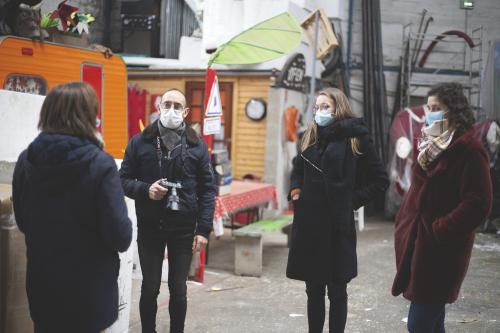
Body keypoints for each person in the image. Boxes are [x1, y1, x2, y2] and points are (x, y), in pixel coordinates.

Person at [12, 82, 133, 333]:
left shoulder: (26, 160)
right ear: (88, 116)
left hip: (44, 290)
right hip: (89, 297)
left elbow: (22, 222)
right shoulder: (101, 164)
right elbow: (121, 237)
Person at [392, 82, 492, 333]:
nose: (430, 113)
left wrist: (439, 230)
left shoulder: (469, 150)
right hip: (420, 245)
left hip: (441, 251)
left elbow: (479, 203)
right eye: (429, 107)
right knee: (432, 324)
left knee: (419, 324)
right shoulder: (430, 142)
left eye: (437, 107)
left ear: (453, 110)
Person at [286, 87, 389, 333]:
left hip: (336, 227)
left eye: (325, 107)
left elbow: (380, 180)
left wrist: (349, 201)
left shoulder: (356, 137)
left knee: (337, 290)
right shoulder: (309, 135)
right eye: (317, 107)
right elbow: (297, 169)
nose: (319, 112)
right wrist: (296, 192)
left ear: (338, 109)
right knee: (313, 290)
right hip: (309, 226)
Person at [119, 88, 216, 333]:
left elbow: (207, 190)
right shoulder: (140, 141)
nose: (171, 110)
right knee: (150, 288)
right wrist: (144, 189)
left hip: (183, 229)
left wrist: (203, 230)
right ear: (159, 108)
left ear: (184, 112)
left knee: (178, 289)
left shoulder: (197, 146)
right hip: (150, 226)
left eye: (176, 106)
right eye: (167, 104)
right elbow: (122, 180)